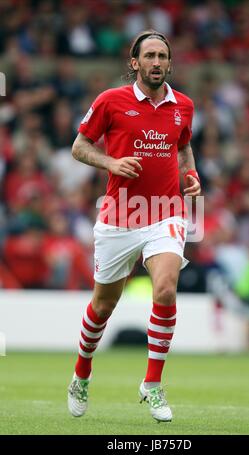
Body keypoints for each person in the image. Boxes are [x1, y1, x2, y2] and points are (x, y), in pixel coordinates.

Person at [67, 30, 201, 423]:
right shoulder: (111, 101)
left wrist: (190, 174)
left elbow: (184, 146)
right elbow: (79, 146)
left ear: (170, 63)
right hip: (120, 215)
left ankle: (152, 383)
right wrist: (112, 163)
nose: (157, 62)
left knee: (165, 288)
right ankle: (82, 372)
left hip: (165, 212)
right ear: (135, 63)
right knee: (103, 305)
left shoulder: (184, 106)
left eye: (163, 56)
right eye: (150, 56)